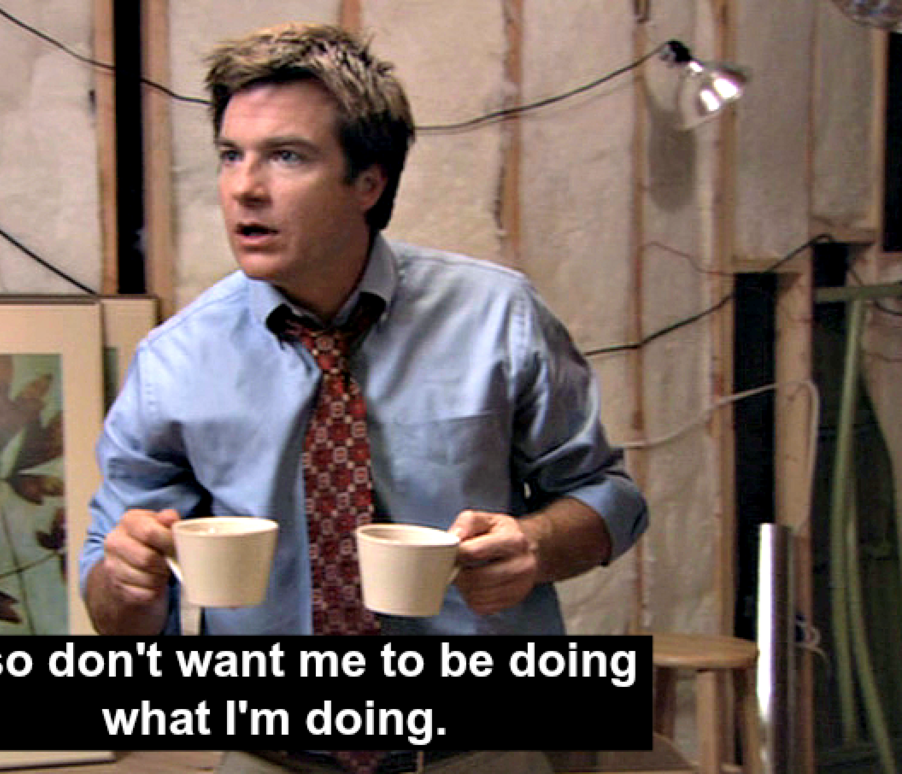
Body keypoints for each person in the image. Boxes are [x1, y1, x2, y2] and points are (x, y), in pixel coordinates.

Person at [80, 22, 648, 773]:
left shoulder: (497, 317)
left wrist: (535, 548)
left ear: (368, 184)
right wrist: (126, 583)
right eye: (230, 155)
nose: (244, 187)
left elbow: (611, 498)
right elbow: (115, 613)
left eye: (287, 156)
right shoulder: (174, 362)